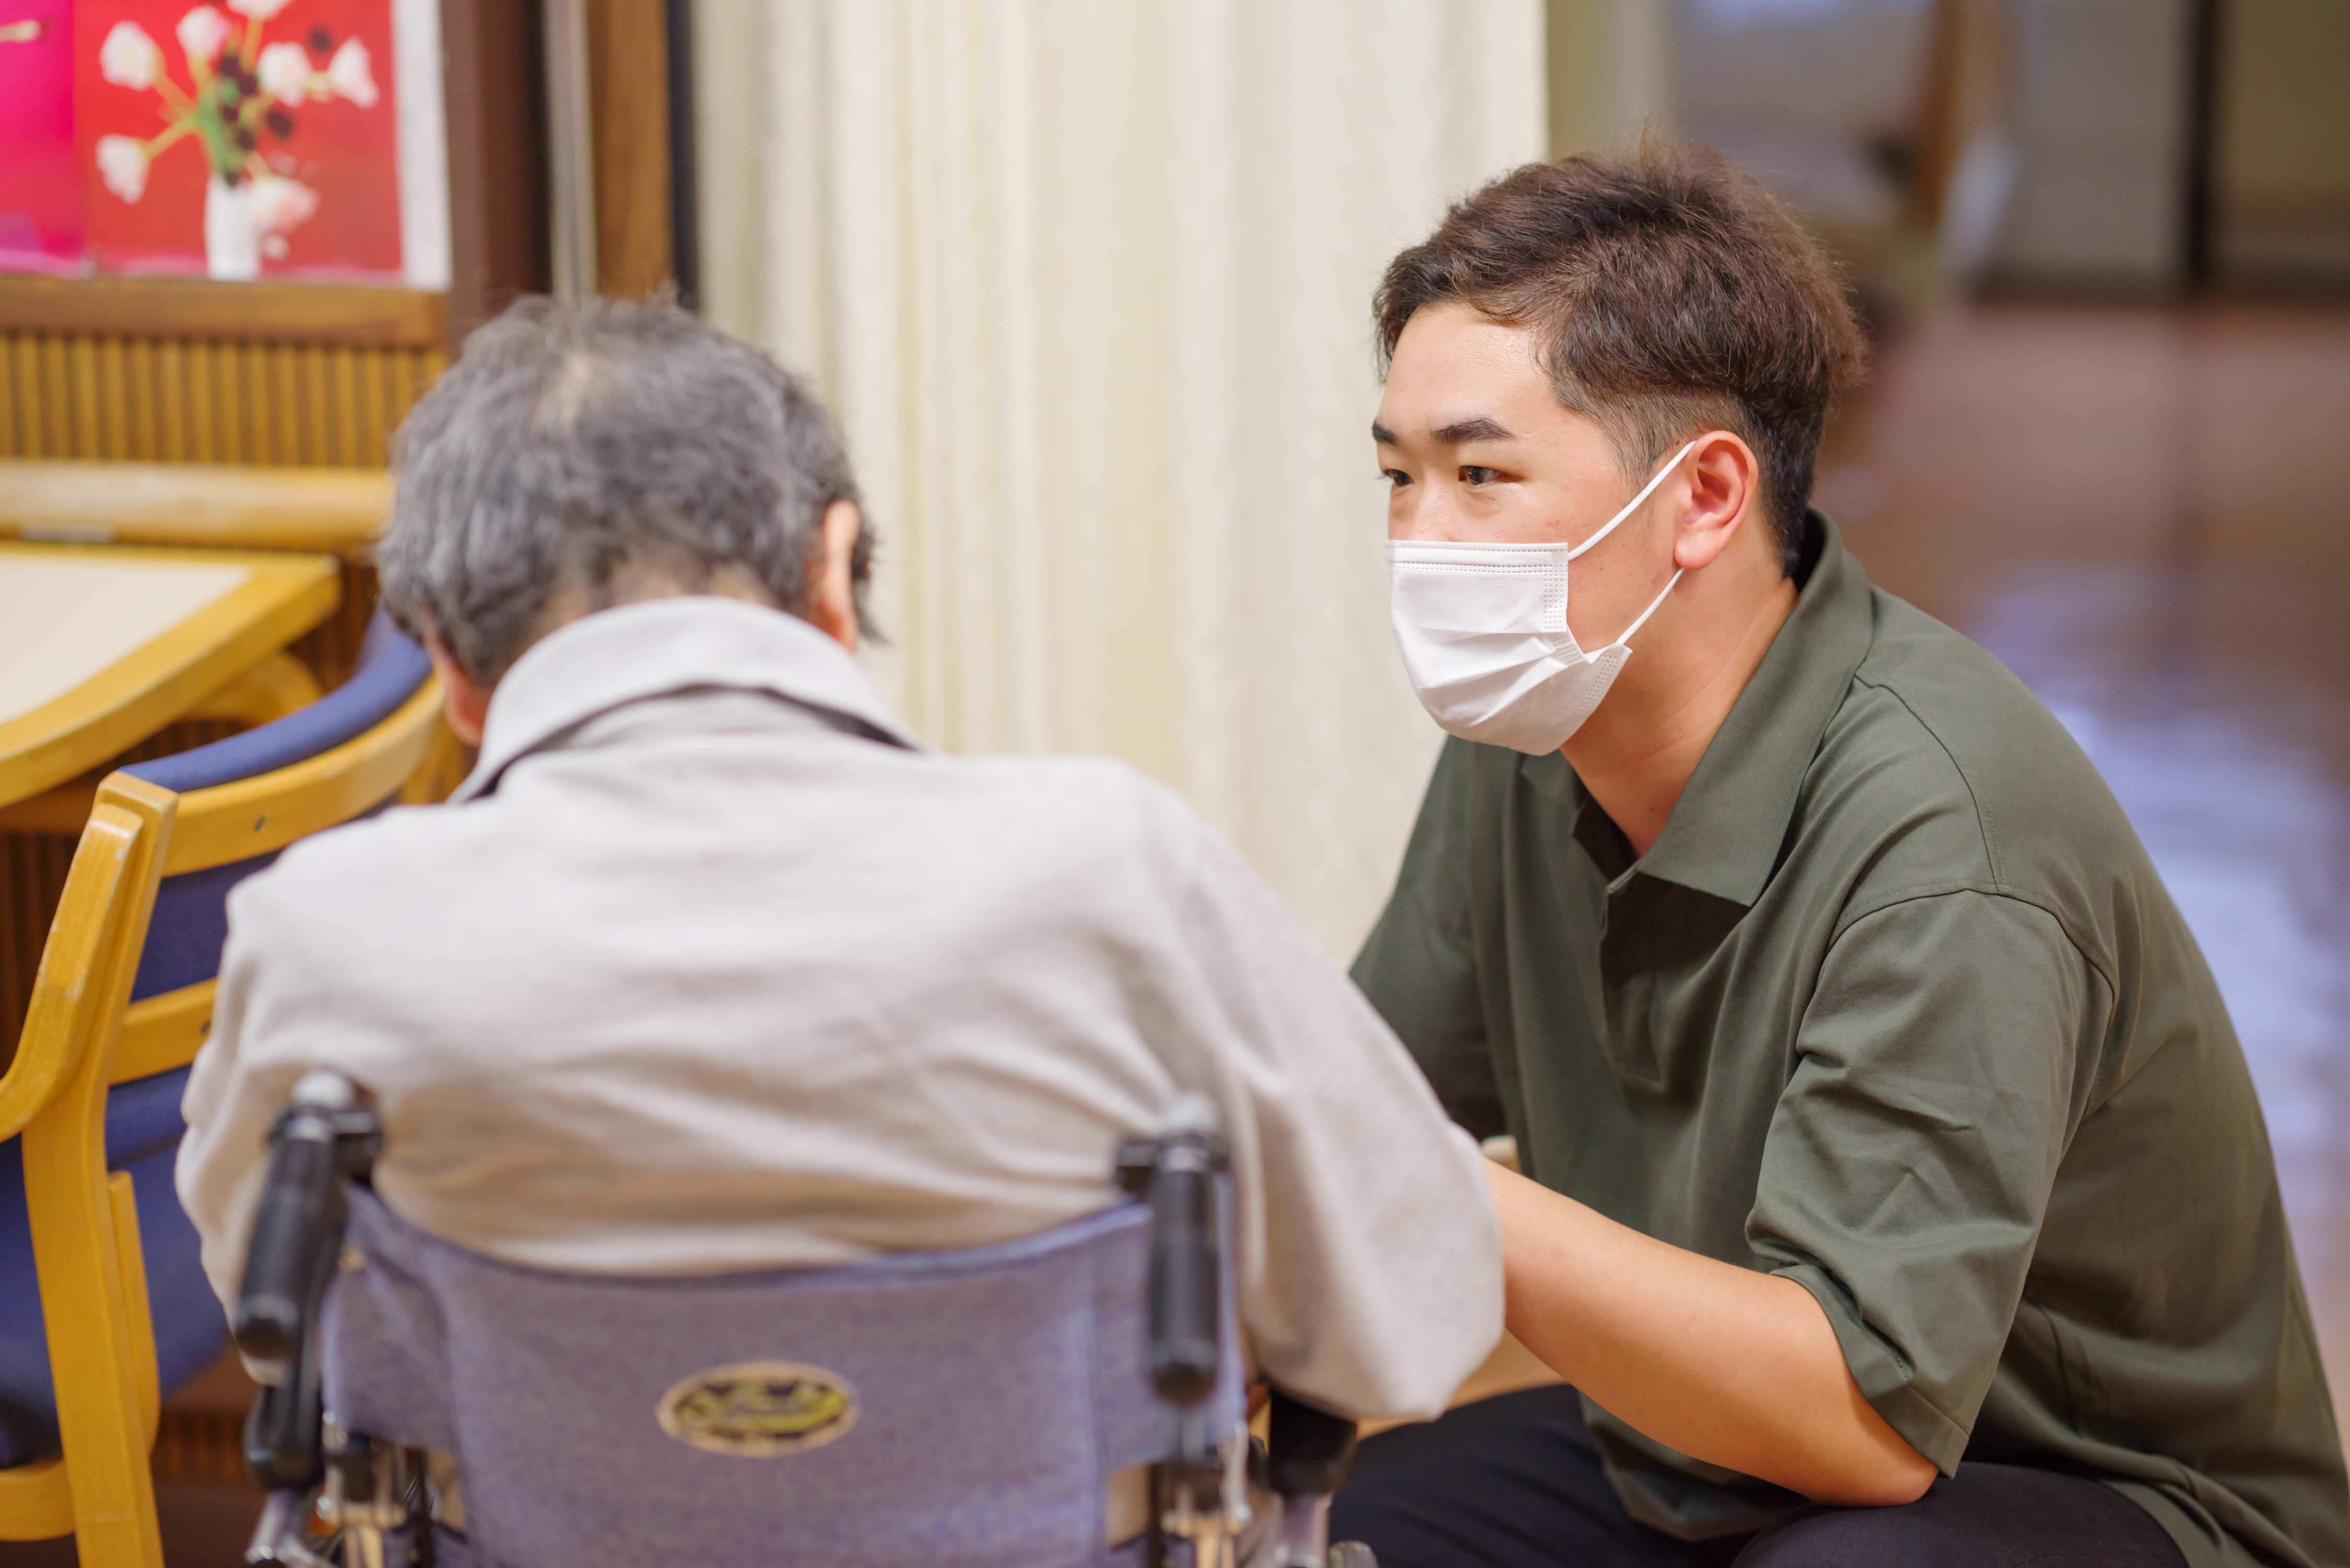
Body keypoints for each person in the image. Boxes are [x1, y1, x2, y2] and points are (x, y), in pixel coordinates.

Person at [174, 299, 1502, 1535]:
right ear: (831, 566)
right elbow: (1415, 1311)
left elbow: (275, 1310)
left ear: (450, 663)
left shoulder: (329, 931)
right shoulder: (1113, 870)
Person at [1333, 145, 2349, 1568]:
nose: (1418, 539)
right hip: (1723, 1448)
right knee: (1366, 1514)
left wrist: (1442, 1193)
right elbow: (1362, 1109)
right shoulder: (1528, 746)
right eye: (1398, 475)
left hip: (2090, 1488)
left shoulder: (1950, 830)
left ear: (1703, 497)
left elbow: (1862, 1417)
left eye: (1479, 474)